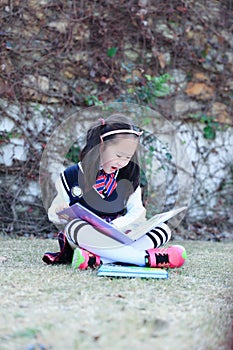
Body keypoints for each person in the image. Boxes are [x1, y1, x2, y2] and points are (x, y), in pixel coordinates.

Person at [43, 114, 186, 269]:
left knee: (163, 229)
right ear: (101, 146)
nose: (122, 162)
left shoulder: (128, 176)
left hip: (119, 234)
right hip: (86, 238)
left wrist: (116, 227)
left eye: (127, 157)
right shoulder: (70, 175)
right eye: (118, 155)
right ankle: (144, 259)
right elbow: (54, 213)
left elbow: (137, 212)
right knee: (74, 226)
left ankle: (98, 260)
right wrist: (60, 211)